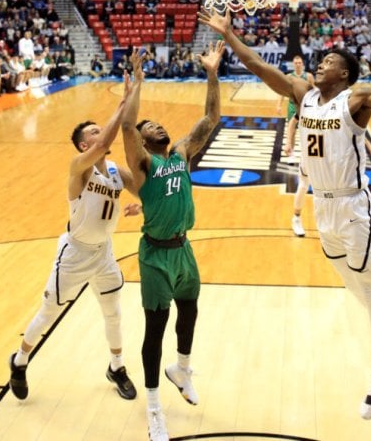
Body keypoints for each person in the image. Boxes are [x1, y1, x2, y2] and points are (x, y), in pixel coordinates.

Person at [200, 10, 371, 420]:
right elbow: (257, 65)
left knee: (367, 286)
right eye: (323, 60)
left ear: (345, 75)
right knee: (352, 283)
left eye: (331, 61)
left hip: (354, 205)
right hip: (323, 204)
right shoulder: (303, 94)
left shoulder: (358, 99)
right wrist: (229, 34)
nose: (322, 63)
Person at [8, 72, 142, 403]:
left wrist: (141, 204)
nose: (101, 134)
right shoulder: (79, 167)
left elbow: (142, 189)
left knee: (113, 313)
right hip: (75, 254)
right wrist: (123, 101)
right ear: (85, 145)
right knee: (47, 315)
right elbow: (102, 143)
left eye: (101, 128)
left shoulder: (114, 172)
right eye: (95, 132)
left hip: (103, 254)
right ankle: (20, 360)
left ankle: (117, 367)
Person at [120, 42, 225, 441]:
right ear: (143, 141)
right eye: (151, 128)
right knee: (155, 329)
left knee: (190, 314)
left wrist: (212, 73)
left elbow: (211, 117)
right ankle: (153, 408)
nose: (158, 127)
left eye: (159, 125)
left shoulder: (180, 153)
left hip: (184, 250)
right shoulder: (144, 165)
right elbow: (128, 127)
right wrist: (139, 82)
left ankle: (181, 369)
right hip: (155, 258)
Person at [276, 55, 315, 236]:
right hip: (310, 150)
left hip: (327, 153)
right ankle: (297, 218)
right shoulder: (290, 78)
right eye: (296, 62)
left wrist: (366, 144)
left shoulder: (312, 83)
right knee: (304, 184)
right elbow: (293, 122)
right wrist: (288, 142)